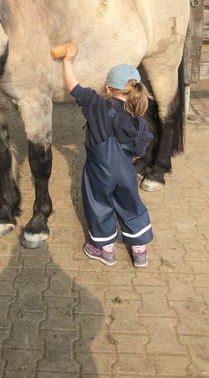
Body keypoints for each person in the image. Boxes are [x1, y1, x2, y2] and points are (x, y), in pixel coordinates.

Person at [61, 44, 154, 267]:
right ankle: (139, 251)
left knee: (99, 204)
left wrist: (67, 61)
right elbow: (142, 146)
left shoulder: (97, 105)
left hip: (98, 171)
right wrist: (130, 160)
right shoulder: (138, 118)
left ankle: (105, 249)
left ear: (108, 88)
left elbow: (74, 88)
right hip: (126, 171)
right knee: (131, 203)